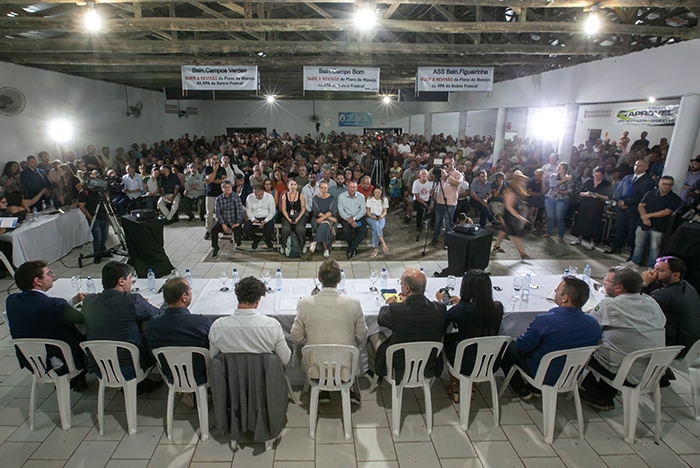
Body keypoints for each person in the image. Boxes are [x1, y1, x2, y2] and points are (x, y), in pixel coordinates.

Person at [499, 276, 601, 399]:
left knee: (507, 346)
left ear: (565, 298)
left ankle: (520, 387)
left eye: (557, 290)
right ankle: (534, 389)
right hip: (572, 375)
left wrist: (522, 336)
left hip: (542, 373)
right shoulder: (593, 324)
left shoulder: (545, 320)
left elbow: (523, 346)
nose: (555, 291)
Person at [580, 266, 666, 410]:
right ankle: (604, 393)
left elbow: (587, 328)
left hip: (626, 372)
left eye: (607, 280)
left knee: (577, 347)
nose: (604, 282)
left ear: (619, 287)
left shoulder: (611, 305)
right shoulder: (651, 302)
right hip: (655, 371)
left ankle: (597, 394)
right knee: (616, 342)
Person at [291, 259, 368, 404]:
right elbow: (362, 335)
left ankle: (322, 389)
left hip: (316, 367)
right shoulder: (353, 303)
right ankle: (349, 388)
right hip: (345, 367)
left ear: (319, 278)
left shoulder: (304, 303)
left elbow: (295, 338)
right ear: (339, 279)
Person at [82, 261, 164, 393]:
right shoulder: (133, 300)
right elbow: (159, 314)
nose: (131, 282)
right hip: (129, 366)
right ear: (121, 281)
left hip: (99, 366)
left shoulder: (89, 301)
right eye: (130, 278)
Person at [6, 261, 88, 390]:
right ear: (37, 281)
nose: (52, 275)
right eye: (49, 273)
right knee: (88, 333)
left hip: (31, 360)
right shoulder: (54, 305)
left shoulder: (12, 301)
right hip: (60, 359)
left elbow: (46, 311)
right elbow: (82, 319)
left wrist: (73, 301)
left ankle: (77, 380)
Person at [437, 269, 503, 402]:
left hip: (466, 361)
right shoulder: (497, 307)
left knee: (448, 339)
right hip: (491, 362)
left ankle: (454, 383)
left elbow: (443, 320)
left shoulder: (462, 310)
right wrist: (462, 302)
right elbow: (478, 310)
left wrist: (442, 301)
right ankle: (471, 384)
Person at [369, 269, 446, 383]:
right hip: (427, 360)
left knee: (372, 333)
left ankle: (375, 372)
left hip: (399, 361)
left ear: (407, 288)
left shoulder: (396, 310)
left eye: (401, 283)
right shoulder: (439, 309)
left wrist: (389, 305)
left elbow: (381, 319)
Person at [145, 277, 212, 388]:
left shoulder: (153, 324)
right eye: (190, 291)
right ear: (184, 297)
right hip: (200, 374)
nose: (191, 294)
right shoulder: (200, 323)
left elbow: (150, 349)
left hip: (170, 373)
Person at [208, 276, 291, 363]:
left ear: (238, 297)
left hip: (230, 371)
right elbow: (285, 359)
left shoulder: (217, 327)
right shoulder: (272, 326)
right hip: (264, 371)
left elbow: (213, 357)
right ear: (258, 300)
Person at [641, 257, 700, 358]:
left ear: (676, 275)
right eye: (654, 268)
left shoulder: (667, 295)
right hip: (691, 345)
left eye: (660, 270)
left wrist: (644, 283)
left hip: (676, 348)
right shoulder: (686, 286)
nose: (653, 273)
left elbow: (638, 307)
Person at [605, 159, 655, 255]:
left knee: (632, 231)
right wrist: (619, 201)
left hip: (634, 209)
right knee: (619, 228)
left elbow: (642, 196)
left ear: (646, 167)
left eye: (640, 165)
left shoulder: (648, 181)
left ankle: (633, 252)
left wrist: (626, 202)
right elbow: (618, 190)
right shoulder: (627, 177)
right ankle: (616, 247)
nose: (636, 167)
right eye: (636, 165)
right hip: (621, 207)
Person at [630, 175, 682, 267]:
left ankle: (652, 266)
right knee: (639, 244)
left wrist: (647, 216)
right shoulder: (650, 193)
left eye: (669, 185)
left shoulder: (674, 198)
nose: (667, 186)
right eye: (664, 184)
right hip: (643, 224)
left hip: (659, 226)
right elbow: (641, 206)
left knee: (655, 248)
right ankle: (635, 262)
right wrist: (644, 218)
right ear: (659, 184)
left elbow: (666, 212)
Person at [569, 166, 613, 250]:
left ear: (603, 175)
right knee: (582, 221)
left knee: (594, 224)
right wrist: (586, 194)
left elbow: (609, 197)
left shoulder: (607, 184)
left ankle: (592, 242)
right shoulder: (589, 182)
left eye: (599, 175)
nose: (597, 177)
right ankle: (579, 238)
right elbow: (579, 192)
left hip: (597, 206)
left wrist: (599, 196)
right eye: (595, 175)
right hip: (585, 205)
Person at [492, 170, 531, 259]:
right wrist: (520, 217)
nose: (524, 183)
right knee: (517, 233)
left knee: (505, 230)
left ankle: (496, 245)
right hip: (511, 215)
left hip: (514, 214)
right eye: (522, 180)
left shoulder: (518, 189)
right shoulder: (510, 191)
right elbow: (509, 206)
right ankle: (522, 253)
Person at [430, 156, 463, 246]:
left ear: (453, 163)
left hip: (450, 203)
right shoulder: (441, 173)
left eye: (449, 163)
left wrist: (447, 176)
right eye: (446, 163)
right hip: (439, 201)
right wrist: (432, 170)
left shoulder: (458, 174)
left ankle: (447, 242)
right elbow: (430, 178)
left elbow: (457, 183)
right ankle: (435, 238)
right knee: (437, 222)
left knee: (448, 223)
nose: (447, 165)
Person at [78, 175, 109, 264]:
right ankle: (97, 255)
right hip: (94, 217)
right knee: (97, 237)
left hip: (103, 215)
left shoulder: (99, 191)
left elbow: (106, 201)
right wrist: (90, 217)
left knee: (105, 236)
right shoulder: (83, 192)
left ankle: (103, 251)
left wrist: (108, 213)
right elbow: (82, 206)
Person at [210, 179, 244, 258]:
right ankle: (215, 247)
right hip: (224, 220)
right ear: (222, 189)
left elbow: (240, 211)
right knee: (213, 230)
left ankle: (238, 241)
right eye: (225, 187)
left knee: (238, 232)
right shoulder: (218, 199)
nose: (228, 189)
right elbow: (218, 213)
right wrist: (223, 224)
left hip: (234, 220)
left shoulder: (235, 197)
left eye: (229, 187)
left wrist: (237, 223)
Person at [543, 162, 573, 242]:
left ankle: (560, 235)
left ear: (565, 170)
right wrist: (564, 180)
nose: (558, 168)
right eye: (558, 167)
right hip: (550, 198)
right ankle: (548, 232)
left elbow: (570, 190)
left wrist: (561, 192)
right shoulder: (553, 176)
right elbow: (552, 185)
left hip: (562, 199)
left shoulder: (569, 179)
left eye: (560, 168)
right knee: (550, 217)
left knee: (559, 218)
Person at [337, 181, 367, 259]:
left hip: (358, 218)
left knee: (363, 231)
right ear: (348, 187)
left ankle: (351, 248)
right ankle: (354, 248)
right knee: (346, 232)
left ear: (356, 188)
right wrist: (348, 219)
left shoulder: (361, 197)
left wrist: (354, 219)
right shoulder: (341, 196)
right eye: (350, 187)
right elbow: (341, 211)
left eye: (354, 187)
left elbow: (363, 210)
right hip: (346, 218)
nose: (352, 189)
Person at [308, 180, 337, 258]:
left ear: (327, 188)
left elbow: (331, 211)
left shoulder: (332, 198)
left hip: (329, 217)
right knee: (324, 224)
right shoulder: (315, 198)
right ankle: (326, 249)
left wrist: (324, 218)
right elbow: (317, 211)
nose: (323, 190)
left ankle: (315, 242)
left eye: (325, 188)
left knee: (325, 224)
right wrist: (327, 217)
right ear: (319, 188)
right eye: (322, 188)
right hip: (318, 217)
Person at [244, 185, 276, 250]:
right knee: (246, 229)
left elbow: (272, 211)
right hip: (254, 217)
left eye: (261, 195)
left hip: (266, 217)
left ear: (263, 191)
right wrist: (253, 219)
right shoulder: (249, 197)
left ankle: (267, 239)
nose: (259, 197)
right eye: (257, 196)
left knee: (270, 229)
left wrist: (266, 220)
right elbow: (248, 210)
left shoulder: (269, 197)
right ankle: (256, 238)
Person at [203, 154, 227, 241]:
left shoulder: (222, 169)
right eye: (214, 159)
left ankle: (219, 229)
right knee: (209, 213)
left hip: (220, 194)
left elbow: (222, 180)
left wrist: (211, 181)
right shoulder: (207, 169)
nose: (216, 160)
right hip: (209, 194)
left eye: (217, 159)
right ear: (210, 160)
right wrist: (215, 170)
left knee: (219, 213)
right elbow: (208, 179)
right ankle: (208, 230)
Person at [280, 178, 307, 254]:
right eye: (291, 184)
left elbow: (303, 208)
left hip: (299, 215)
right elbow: (283, 209)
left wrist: (298, 218)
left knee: (300, 229)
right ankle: (283, 245)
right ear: (288, 186)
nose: (293, 186)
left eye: (294, 184)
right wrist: (288, 219)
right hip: (287, 215)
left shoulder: (301, 195)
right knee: (285, 229)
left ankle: (302, 245)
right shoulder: (284, 196)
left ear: (297, 186)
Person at [366, 186, 389, 258]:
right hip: (371, 217)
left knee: (375, 229)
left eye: (379, 192)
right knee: (375, 224)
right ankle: (382, 242)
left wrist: (381, 216)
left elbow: (385, 211)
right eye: (375, 192)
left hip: (380, 217)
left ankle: (375, 249)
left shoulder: (384, 199)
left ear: (381, 192)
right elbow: (368, 212)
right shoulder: (370, 199)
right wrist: (372, 216)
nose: (377, 194)